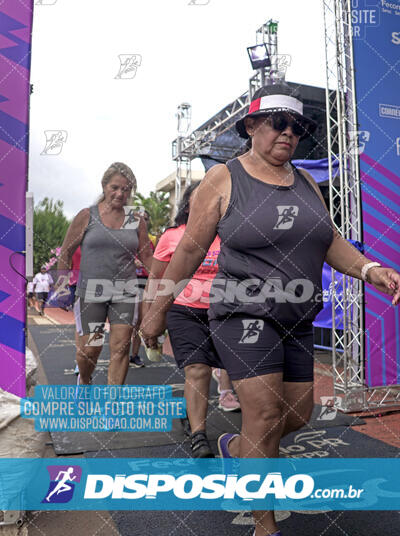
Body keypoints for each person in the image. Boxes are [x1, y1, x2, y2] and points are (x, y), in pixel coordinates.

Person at [140, 82, 400, 536]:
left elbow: (329, 240)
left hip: (296, 318)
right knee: (262, 413)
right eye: (279, 122)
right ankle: (265, 525)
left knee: (296, 416)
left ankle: (235, 448)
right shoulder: (225, 177)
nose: (289, 133)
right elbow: (188, 252)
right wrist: (158, 308)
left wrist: (370, 268)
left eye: (298, 126)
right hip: (242, 313)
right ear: (252, 125)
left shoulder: (304, 182)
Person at [143, 182, 240, 459]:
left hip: (225, 310)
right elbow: (156, 279)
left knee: (238, 369)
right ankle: (199, 435)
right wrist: (151, 316)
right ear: (189, 204)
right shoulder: (173, 236)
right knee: (197, 369)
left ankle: (245, 432)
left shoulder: (231, 235)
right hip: (184, 309)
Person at [57, 162, 153, 386]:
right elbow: (66, 252)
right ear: (104, 186)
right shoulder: (87, 216)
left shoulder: (134, 219)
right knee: (91, 349)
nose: (120, 193)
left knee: (121, 348)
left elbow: (147, 257)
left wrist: (168, 279)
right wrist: (61, 286)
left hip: (124, 293)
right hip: (91, 293)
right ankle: (85, 379)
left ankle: (112, 406)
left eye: (126, 189)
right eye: (115, 187)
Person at [129, 211, 156, 368]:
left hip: (144, 283)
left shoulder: (150, 242)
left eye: (146, 219)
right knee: (126, 323)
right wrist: (132, 262)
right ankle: (120, 354)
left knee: (140, 321)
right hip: (127, 283)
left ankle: (134, 355)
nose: (143, 222)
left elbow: (153, 262)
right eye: (140, 220)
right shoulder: (126, 239)